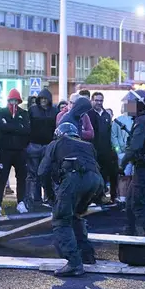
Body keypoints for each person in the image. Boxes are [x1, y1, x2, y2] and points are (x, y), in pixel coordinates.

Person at [38, 122, 102, 277]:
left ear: (58, 134)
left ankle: (74, 263)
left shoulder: (56, 143)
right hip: (95, 181)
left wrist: (51, 196)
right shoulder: (87, 145)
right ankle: (87, 255)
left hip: (75, 178)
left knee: (61, 219)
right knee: (77, 216)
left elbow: (42, 171)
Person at [121, 90, 145, 238]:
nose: (127, 107)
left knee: (137, 202)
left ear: (140, 105)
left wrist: (122, 164)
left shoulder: (142, 121)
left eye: (131, 104)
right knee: (130, 200)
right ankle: (130, 230)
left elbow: (135, 147)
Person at [0, 89, 30, 216]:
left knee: (21, 178)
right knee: (2, 178)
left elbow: (26, 130)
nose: (13, 103)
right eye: (11, 100)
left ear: (18, 101)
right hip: (5, 150)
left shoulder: (24, 113)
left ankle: (21, 202)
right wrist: (17, 127)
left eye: (16, 100)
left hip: (20, 151)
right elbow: (0, 127)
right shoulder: (1, 112)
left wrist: (9, 126)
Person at [26, 88, 57, 208]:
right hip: (34, 145)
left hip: (48, 145)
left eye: (45, 98)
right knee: (33, 174)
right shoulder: (32, 110)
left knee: (47, 172)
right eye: (42, 98)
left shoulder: (54, 111)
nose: (43, 100)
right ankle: (34, 199)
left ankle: (48, 197)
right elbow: (28, 127)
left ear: (49, 99)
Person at [89, 91, 117, 203]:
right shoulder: (89, 115)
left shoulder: (106, 115)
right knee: (95, 175)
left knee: (106, 174)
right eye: (96, 100)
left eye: (101, 100)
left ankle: (105, 196)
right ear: (92, 100)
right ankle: (94, 197)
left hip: (106, 151)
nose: (99, 103)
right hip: (93, 150)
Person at [111, 104, 135, 205]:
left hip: (133, 152)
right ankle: (123, 198)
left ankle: (127, 197)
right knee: (124, 176)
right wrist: (119, 150)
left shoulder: (136, 120)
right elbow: (113, 136)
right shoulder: (118, 120)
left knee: (131, 176)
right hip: (124, 152)